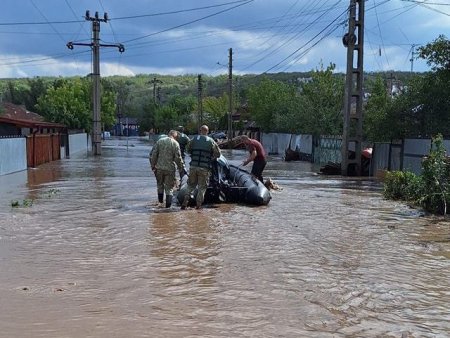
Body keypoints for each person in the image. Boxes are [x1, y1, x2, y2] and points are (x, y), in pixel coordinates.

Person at [181, 125, 221, 210]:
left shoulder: (194, 139)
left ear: (200, 130)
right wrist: (211, 157)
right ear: (208, 131)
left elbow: (187, 150)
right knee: (202, 187)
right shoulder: (211, 141)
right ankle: (198, 206)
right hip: (204, 168)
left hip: (193, 166)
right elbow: (218, 154)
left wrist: (193, 154)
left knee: (190, 185)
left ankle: (185, 201)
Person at [150, 130, 186, 208]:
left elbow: (154, 155)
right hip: (170, 169)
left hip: (159, 168)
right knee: (169, 188)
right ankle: (167, 208)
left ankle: (160, 203)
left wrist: (153, 166)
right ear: (174, 136)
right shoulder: (175, 143)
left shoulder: (160, 141)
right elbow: (178, 158)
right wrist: (181, 168)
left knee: (160, 185)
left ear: (168, 134)